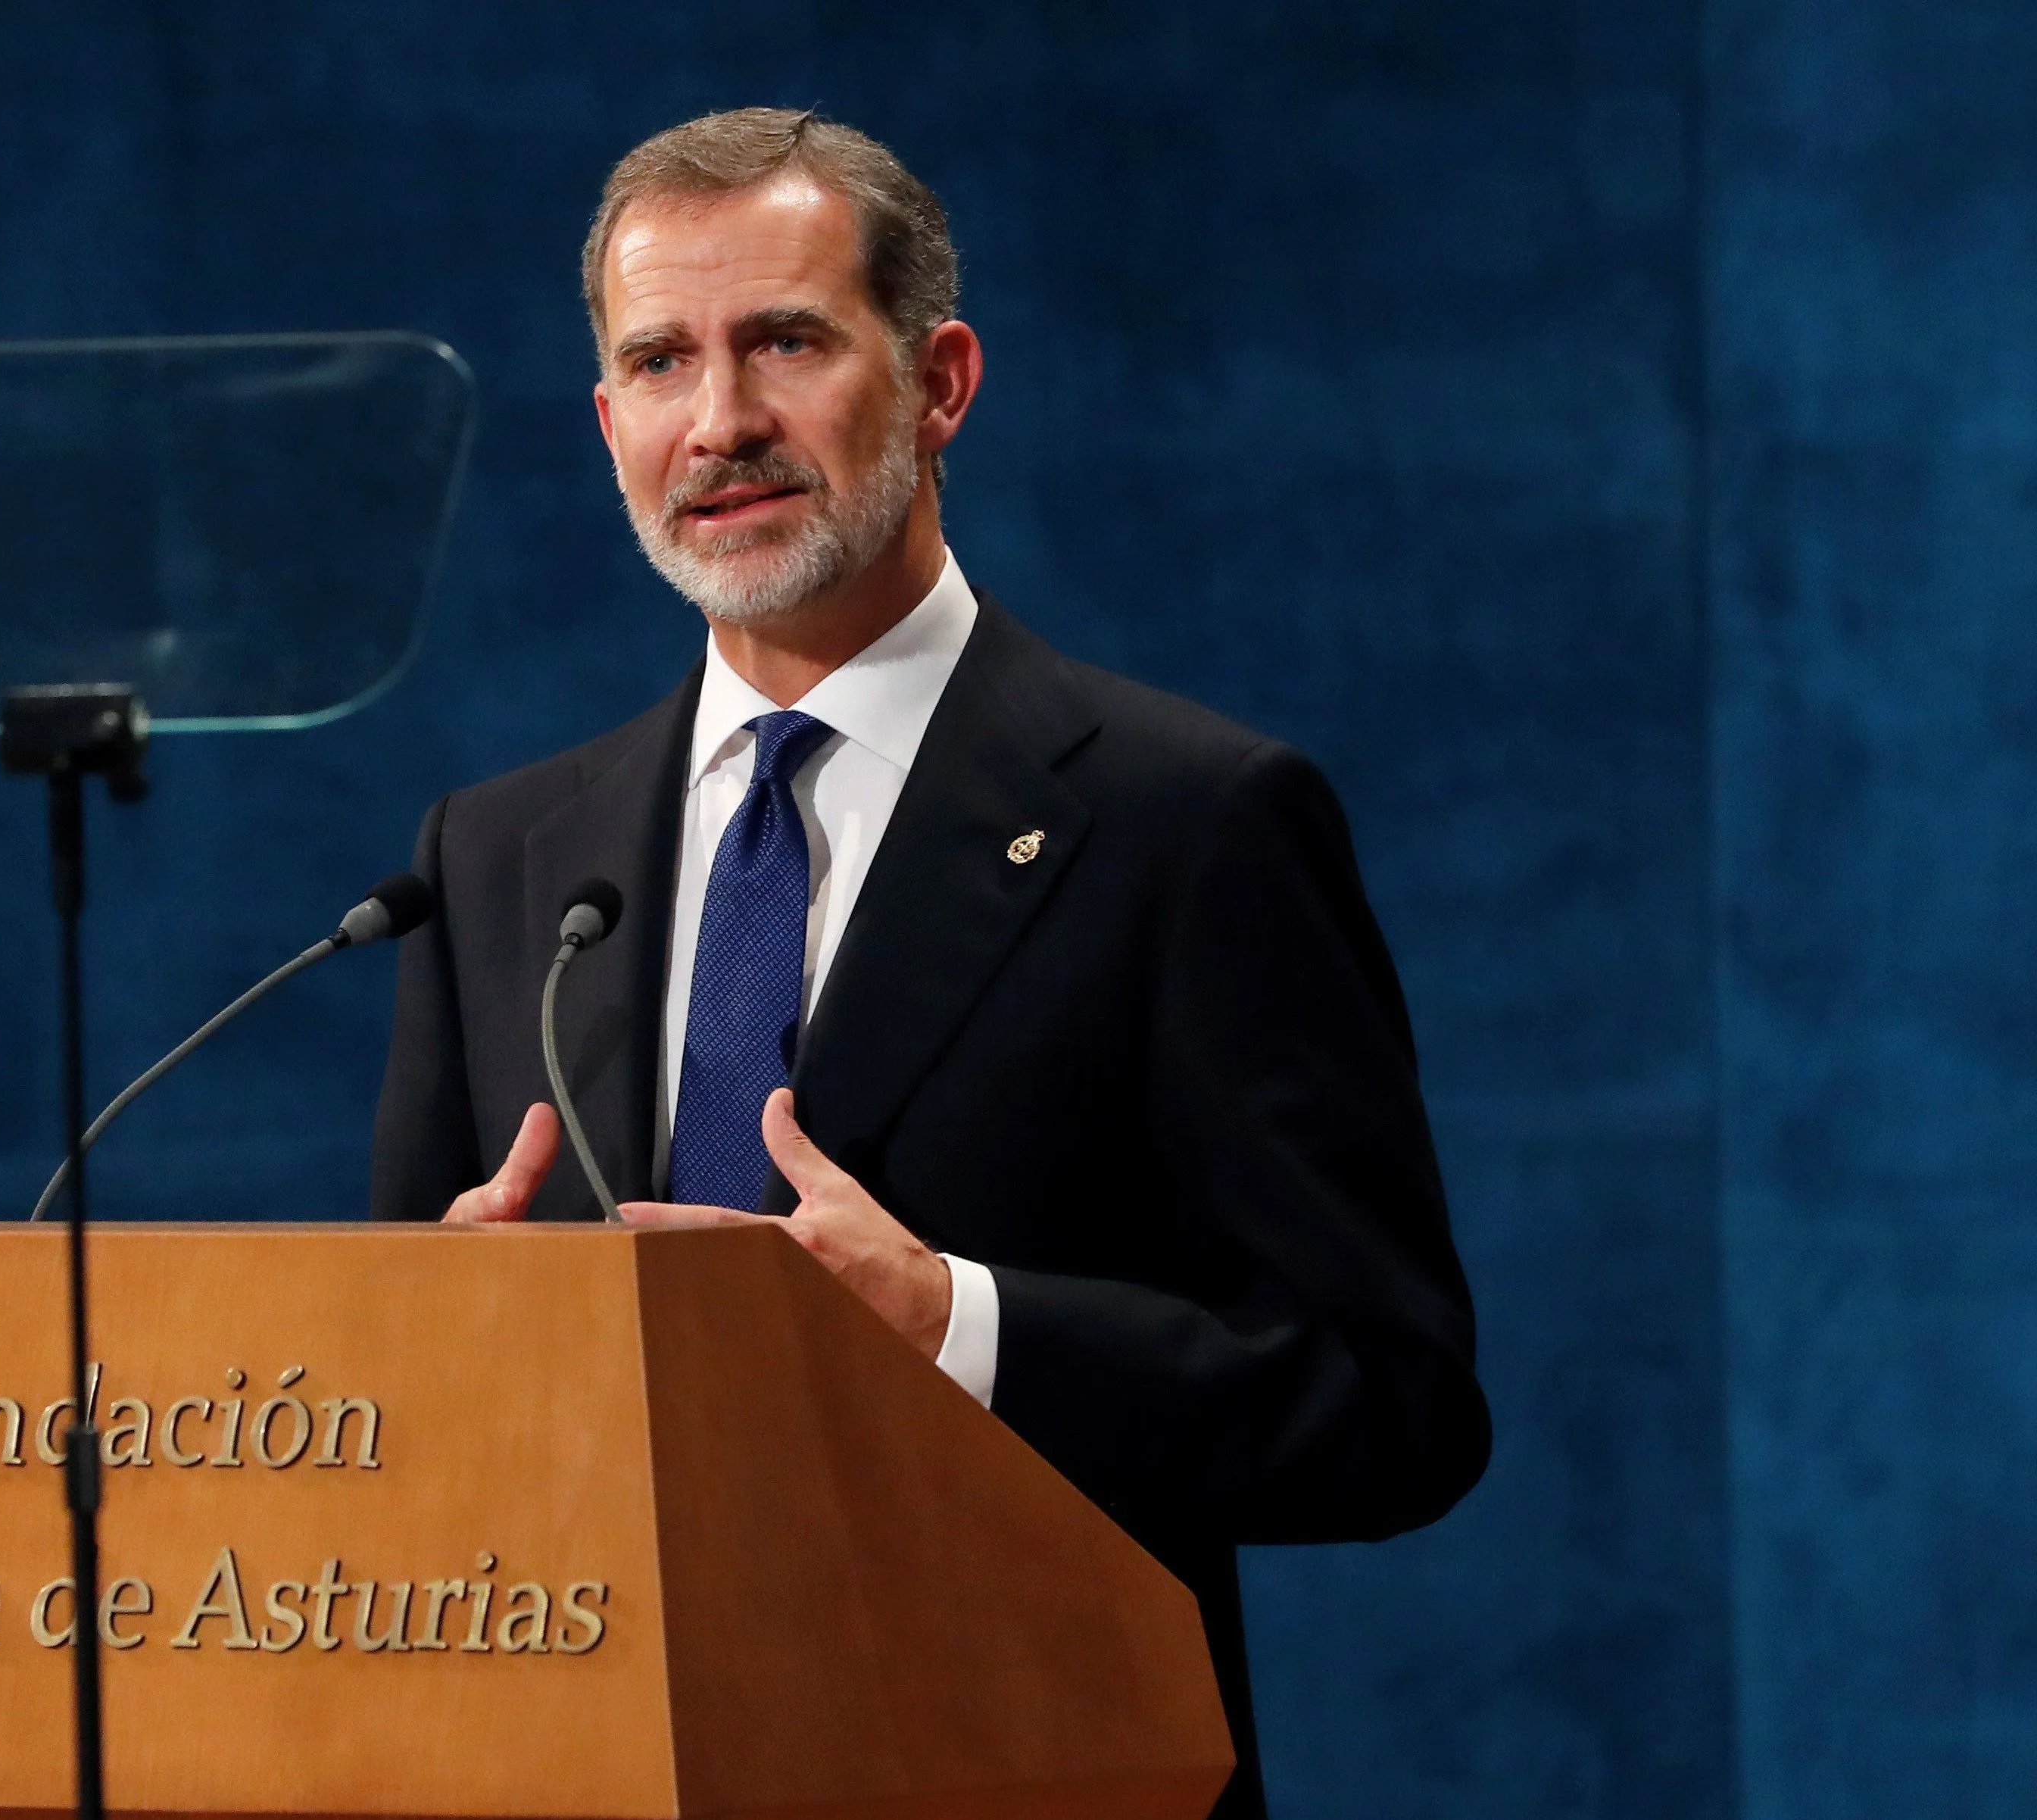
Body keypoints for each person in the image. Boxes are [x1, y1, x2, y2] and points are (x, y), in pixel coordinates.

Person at [368, 108, 1489, 1820]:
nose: (722, 422)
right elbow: (403, 1421)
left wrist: (953, 1324)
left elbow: (1388, 1405)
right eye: (661, 361)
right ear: (608, 427)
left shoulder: (1190, 820)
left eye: (788, 342)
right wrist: (443, 1367)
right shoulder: (505, 854)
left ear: (941, 379)